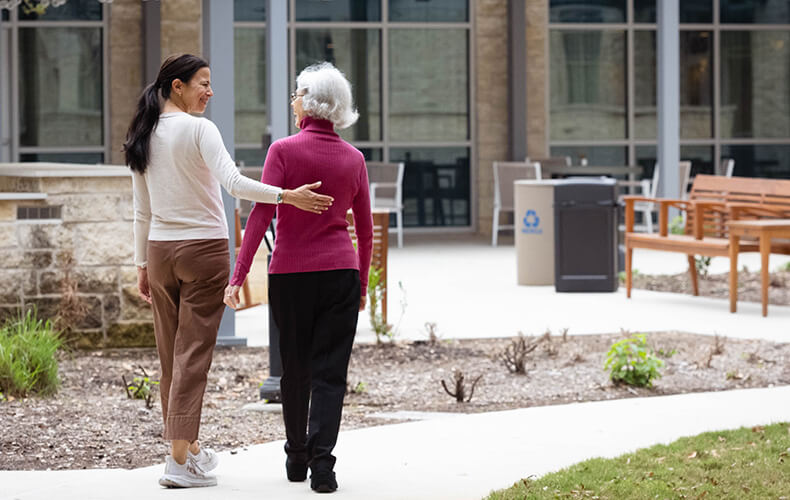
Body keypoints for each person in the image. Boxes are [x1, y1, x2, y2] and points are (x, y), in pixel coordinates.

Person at [124, 54, 334, 489]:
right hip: (203, 252)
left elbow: (141, 211)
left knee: (171, 357)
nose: (210, 91)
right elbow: (235, 184)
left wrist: (141, 263)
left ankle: (191, 451)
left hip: (160, 251)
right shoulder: (200, 129)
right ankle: (177, 461)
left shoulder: (143, 132)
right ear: (177, 86)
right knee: (191, 357)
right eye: (203, 83)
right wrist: (286, 196)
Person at [224, 62, 373, 494]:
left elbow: (261, 215)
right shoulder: (354, 159)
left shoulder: (283, 151)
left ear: (307, 101)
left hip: (291, 275)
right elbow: (363, 231)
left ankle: (296, 456)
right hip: (340, 274)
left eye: (296, 95)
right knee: (331, 373)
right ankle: (323, 467)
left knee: (295, 370)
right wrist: (361, 286)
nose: (293, 102)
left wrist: (238, 274)